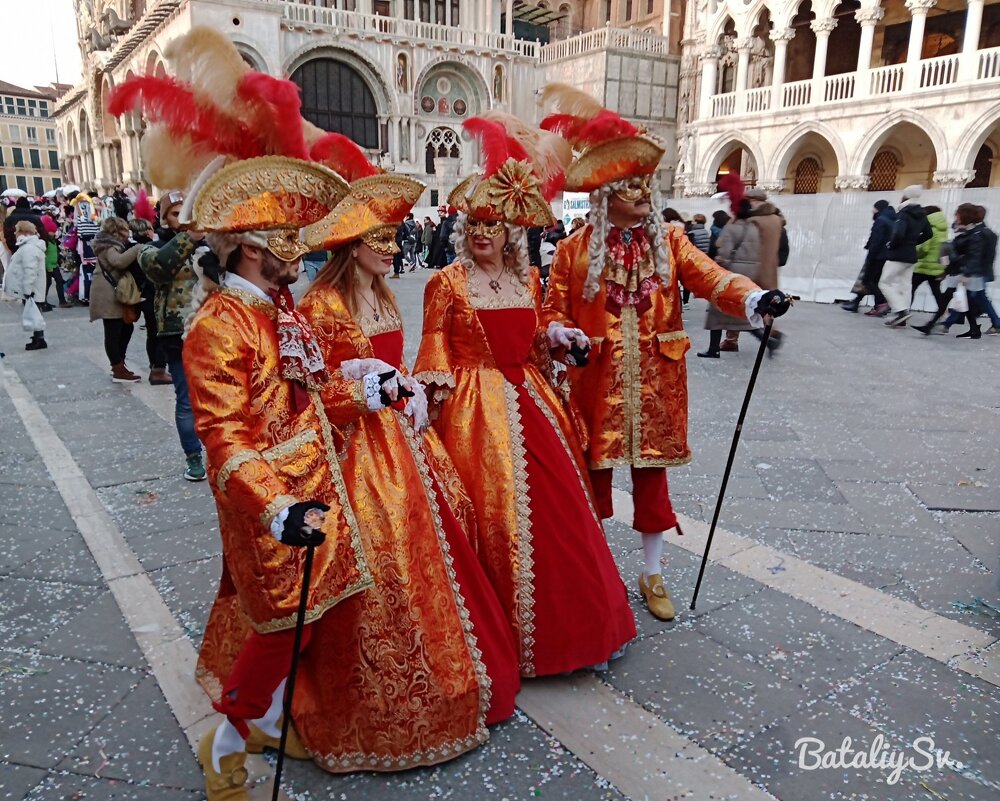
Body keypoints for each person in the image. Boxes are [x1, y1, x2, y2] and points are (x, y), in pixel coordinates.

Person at [299, 141, 519, 760]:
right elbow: (315, 392)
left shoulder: (384, 294)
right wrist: (369, 388)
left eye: (397, 239)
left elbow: (397, 363)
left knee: (439, 544)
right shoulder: (322, 304)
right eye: (383, 240)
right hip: (356, 454)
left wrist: (409, 392)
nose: (393, 250)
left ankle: (452, 671)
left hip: (402, 438)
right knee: (384, 550)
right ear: (352, 244)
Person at [539, 85, 789, 620]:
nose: (643, 192)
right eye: (631, 184)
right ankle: (595, 570)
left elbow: (712, 277)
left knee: (653, 479)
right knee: (594, 478)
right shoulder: (573, 250)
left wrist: (753, 296)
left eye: (646, 183)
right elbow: (551, 310)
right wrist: (562, 334)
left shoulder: (671, 242)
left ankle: (652, 574)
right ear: (606, 192)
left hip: (656, 379)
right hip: (595, 383)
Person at [414, 114, 636, 676]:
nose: (483, 231)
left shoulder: (527, 281)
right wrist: (427, 407)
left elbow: (535, 338)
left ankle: (577, 632)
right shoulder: (447, 282)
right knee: (491, 521)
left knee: (560, 514)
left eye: (493, 222)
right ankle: (503, 638)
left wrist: (558, 338)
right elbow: (434, 348)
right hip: (472, 411)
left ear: (514, 228)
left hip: (532, 399)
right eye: (475, 222)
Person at [137, 191, 208, 480]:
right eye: (176, 213)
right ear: (164, 218)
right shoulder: (149, 249)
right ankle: (193, 456)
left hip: (214, 332)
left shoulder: (210, 246)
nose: (183, 218)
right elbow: (161, 268)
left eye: (188, 211)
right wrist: (190, 237)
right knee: (186, 400)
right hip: (178, 334)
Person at [698, 183, 760, 358]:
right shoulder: (754, 228)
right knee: (743, 312)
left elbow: (723, 254)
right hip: (749, 275)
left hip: (730, 275)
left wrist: (716, 268)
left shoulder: (732, 228)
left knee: (716, 310)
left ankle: (713, 349)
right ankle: (767, 339)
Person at [90, 217, 145, 381]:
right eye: (124, 229)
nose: (127, 233)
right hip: (108, 294)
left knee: (124, 328)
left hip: (110, 291)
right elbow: (118, 262)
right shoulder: (110, 246)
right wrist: (136, 249)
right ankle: (117, 368)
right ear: (116, 230)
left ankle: (119, 363)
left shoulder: (109, 244)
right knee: (114, 331)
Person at [878, 185, 932, 328]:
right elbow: (929, 234)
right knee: (905, 285)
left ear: (905, 197)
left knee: (884, 283)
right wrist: (913, 242)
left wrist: (891, 244)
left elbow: (898, 233)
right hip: (911, 254)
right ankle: (904, 316)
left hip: (898, 254)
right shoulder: (922, 214)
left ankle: (900, 311)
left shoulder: (903, 213)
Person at [128, 217, 172, 384]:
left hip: (145, 294)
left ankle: (155, 366)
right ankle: (159, 369)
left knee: (152, 333)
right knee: (160, 333)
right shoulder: (155, 248)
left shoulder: (133, 249)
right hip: (156, 294)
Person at [842, 200, 894, 314]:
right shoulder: (891, 219)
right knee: (872, 280)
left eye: (874, 208)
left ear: (879, 208)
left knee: (868, 280)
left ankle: (882, 303)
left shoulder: (881, 220)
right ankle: (865, 304)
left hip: (877, 255)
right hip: (885, 255)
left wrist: (870, 255)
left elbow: (876, 240)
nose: (872, 210)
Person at [5, 221, 48, 350]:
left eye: (17, 231)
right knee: (34, 313)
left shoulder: (29, 248)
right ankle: (37, 337)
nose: (15, 233)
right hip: (33, 288)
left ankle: (39, 339)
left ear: (24, 232)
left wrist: (27, 289)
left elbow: (30, 269)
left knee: (34, 314)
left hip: (33, 289)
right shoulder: (29, 246)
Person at [908, 204, 948, 319]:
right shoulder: (943, 230)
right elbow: (944, 250)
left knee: (911, 288)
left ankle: (903, 313)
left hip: (923, 266)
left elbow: (924, 248)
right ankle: (943, 316)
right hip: (936, 268)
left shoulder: (930, 229)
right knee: (936, 293)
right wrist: (944, 268)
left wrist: (916, 254)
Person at [39, 214, 70, 309]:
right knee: (47, 283)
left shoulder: (53, 240)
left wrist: (59, 258)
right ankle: (43, 301)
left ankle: (62, 301)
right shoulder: (44, 242)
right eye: (52, 231)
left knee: (60, 281)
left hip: (54, 264)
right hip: (48, 266)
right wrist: (48, 267)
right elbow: (44, 256)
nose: (54, 233)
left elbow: (55, 252)